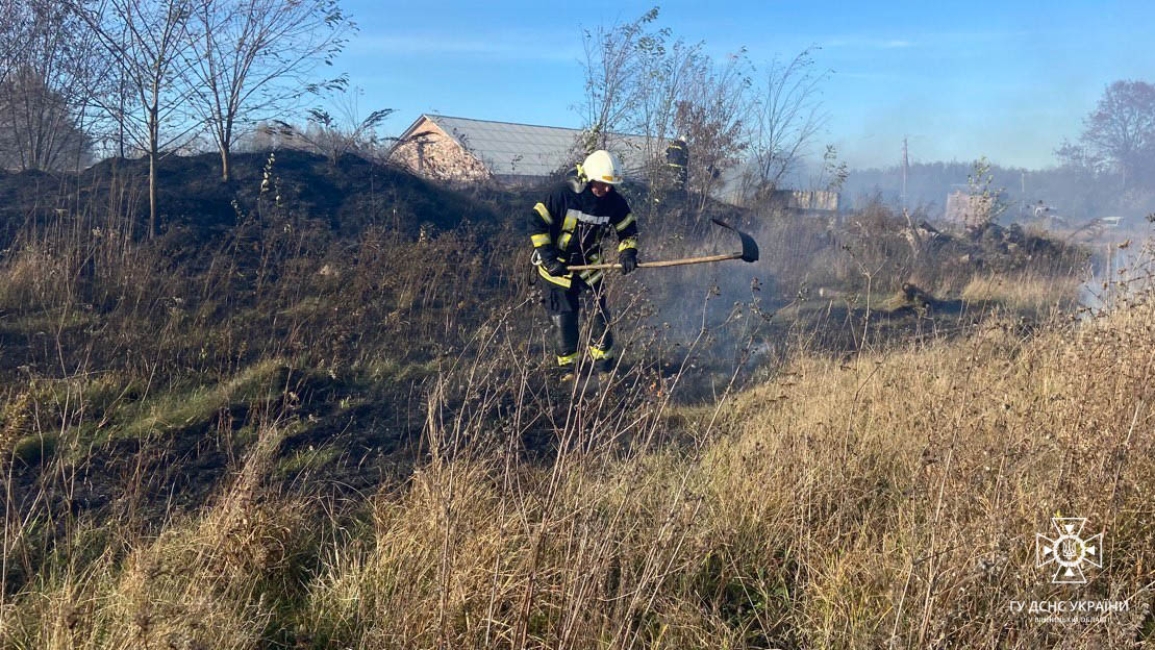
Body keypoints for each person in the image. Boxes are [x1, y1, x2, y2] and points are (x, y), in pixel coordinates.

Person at [528, 149, 639, 382]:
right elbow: (537, 224)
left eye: (612, 185)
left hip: (590, 269)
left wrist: (628, 252)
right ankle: (569, 373)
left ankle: (604, 370)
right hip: (556, 269)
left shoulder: (614, 202)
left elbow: (627, 228)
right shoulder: (561, 195)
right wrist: (549, 259)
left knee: (599, 317)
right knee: (564, 320)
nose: (607, 190)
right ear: (588, 179)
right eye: (603, 184)